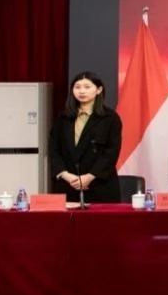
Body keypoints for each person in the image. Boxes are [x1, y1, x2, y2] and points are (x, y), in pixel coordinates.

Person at [48, 71, 123, 203]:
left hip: (99, 186)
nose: (82, 91)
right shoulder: (63, 117)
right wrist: (65, 175)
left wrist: (89, 176)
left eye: (87, 87)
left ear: (99, 90)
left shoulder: (110, 118)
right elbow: (53, 149)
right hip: (68, 184)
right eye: (77, 87)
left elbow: (111, 153)